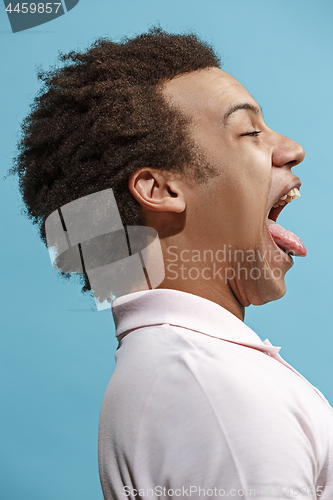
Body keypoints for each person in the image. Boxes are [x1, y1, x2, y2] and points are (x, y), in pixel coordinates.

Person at [10, 27, 333, 499]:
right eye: (249, 131)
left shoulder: (185, 371)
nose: (290, 149)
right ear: (160, 190)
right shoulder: (219, 393)